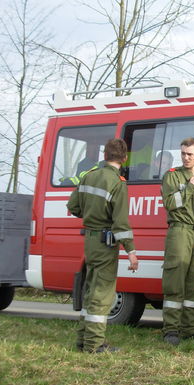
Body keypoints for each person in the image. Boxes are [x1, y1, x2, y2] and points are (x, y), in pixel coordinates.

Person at [67, 138, 139, 353]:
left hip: (90, 240)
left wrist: (91, 215)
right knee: (102, 293)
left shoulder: (89, 176)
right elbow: (121, 224)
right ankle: (95, 344)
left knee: (90, 290)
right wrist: (131, 251)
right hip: (105, 243)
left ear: (105, 156)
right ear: (125, 158)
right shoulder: (117, 183)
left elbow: (73, 206)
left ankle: (83, 340)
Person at [160, 137, 194, 346]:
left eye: (190, 154)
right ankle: (171, 330)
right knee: (175, 283)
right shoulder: (172, 176)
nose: (185, 157)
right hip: (179, 232)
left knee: (193, 286)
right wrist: (190, 188)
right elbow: (170, 204)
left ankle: (191, 329)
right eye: (183, 153)